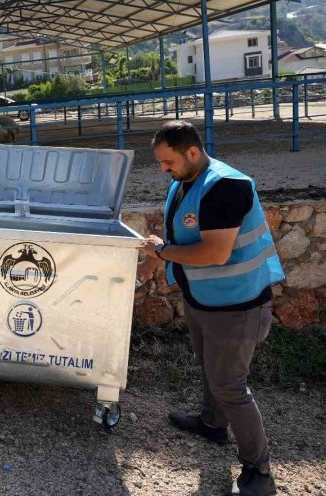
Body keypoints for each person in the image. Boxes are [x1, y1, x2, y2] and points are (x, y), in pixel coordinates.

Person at [136, 121, 284, 496]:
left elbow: (215, 253)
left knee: (229, 385)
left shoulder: (226, 186)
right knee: (210, 367)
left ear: (192, 152)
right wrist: (154, 261)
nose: (163, 169)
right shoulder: (185, 181)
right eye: (159, 163)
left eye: (167, 161)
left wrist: (160, 252)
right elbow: (178, 235)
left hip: (237, 303)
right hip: (205, 299)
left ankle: (259, 471)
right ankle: (213, 423)